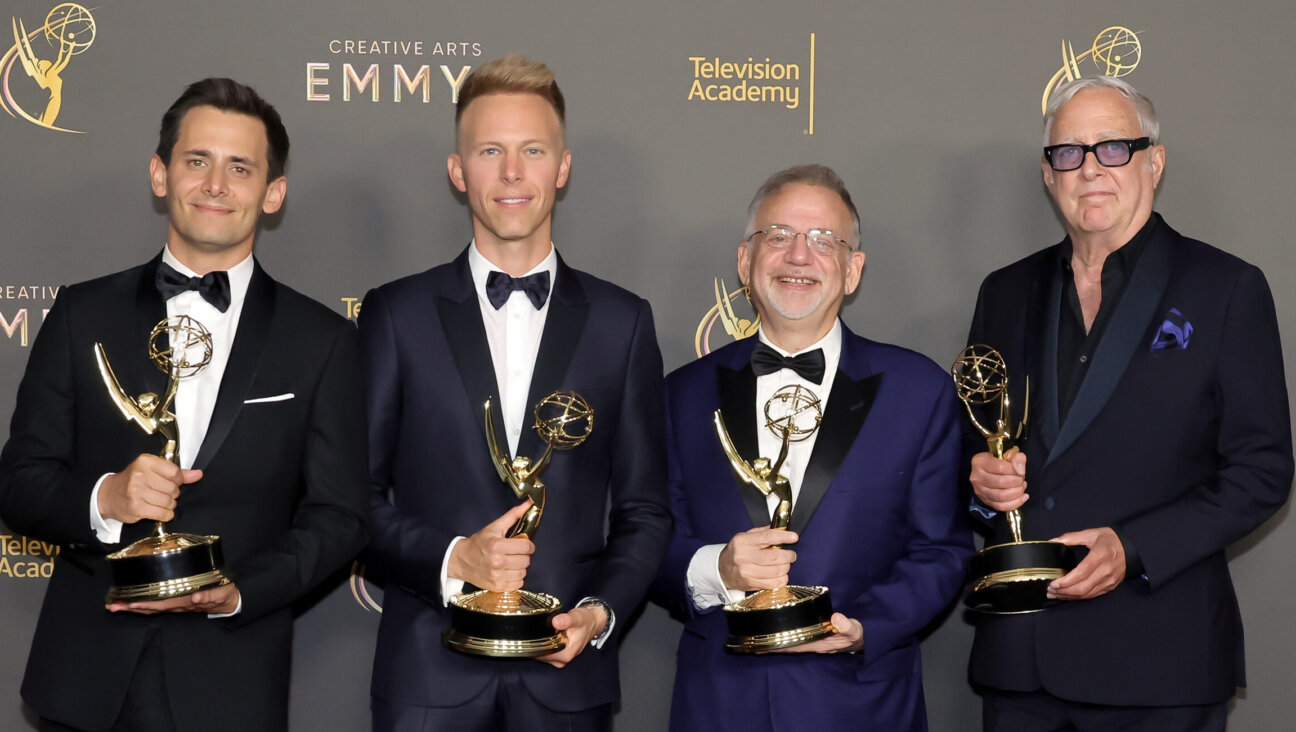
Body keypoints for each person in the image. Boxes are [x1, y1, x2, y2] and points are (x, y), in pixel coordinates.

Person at [0, 78, 368, 732]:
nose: (216, 184)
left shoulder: (323, 342)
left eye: (240, 167)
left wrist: (241, 590)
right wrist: (104, 499)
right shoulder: (82, 313)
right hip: (82, 685)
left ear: (273, 192)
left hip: (230, 684)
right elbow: (21, 481)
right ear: (161, 174)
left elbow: (339, 516)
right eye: (197, 161)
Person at [965, 76, 1293, 731]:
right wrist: (978, 482)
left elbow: (1263, 469)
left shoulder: (1225, 288)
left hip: (1160, 663)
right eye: (1069, 153)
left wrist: (1134, 547)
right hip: (1020, 664)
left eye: (1113, 148)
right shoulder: (1004, 292)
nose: (1089, 169)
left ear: (1155, 161)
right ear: (1048, 174)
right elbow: (966, 448)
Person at [360, 53, 671, 732]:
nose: (510, 172)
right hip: (426, 679)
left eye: (532, 150)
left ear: (561, 169)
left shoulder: (623, 322)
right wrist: (453, 559)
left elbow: (646, 508)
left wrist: (602, 611)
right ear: (457, 170)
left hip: (568, 677)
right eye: (490, 150)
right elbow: (353, 499)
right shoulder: (396, 315)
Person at [651, 164, 973, 732]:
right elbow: (648, 541)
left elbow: (942, 551)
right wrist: (717, 567)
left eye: (824, 240)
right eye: (778, 236)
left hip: (862, 708)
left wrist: (864, 627)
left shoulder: (918, 391)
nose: (799, 256)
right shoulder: (680, 395)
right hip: (720, 708)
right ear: (745, 261)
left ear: (853, 271)